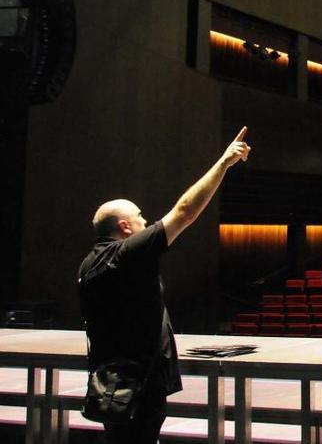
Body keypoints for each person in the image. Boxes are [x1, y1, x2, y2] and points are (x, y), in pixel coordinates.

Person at [77, 127, 251, 443]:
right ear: (125, 226)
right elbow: (184, 212)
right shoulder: (125, 254)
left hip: (112, 384)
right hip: (137, 385)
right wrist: (224, 163)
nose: (146, 221)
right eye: (140, 217)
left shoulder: (89, 263)